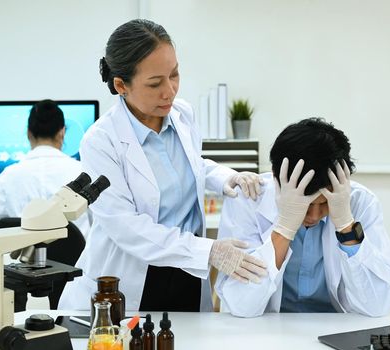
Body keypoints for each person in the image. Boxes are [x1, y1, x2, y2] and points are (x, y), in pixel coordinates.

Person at [58, 19, 266, 313]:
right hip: (134, 276)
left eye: (175, 74)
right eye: (155, 83)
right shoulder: (101, 141)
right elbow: (125, 227)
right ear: (121, 85)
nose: (170, 91)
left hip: (187, 271)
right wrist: (210, 250)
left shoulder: (182, 114)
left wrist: (225, 176)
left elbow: (191, 163)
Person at [215, 118, 390, 317]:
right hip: (265, 332)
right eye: (305, 205)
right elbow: (241, 305)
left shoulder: (361, 202)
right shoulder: (247, 199)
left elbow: (378, 305)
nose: (313, 216)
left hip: (336, 330)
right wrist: (284, 227)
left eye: (323, 204)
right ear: (278, 181)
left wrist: (346, 226)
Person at [0, 99, 90, 236]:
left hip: (23, 256)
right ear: (62, 133)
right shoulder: (82, 172)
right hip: (74, 256)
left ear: (28, 133)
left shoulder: (10, 175)